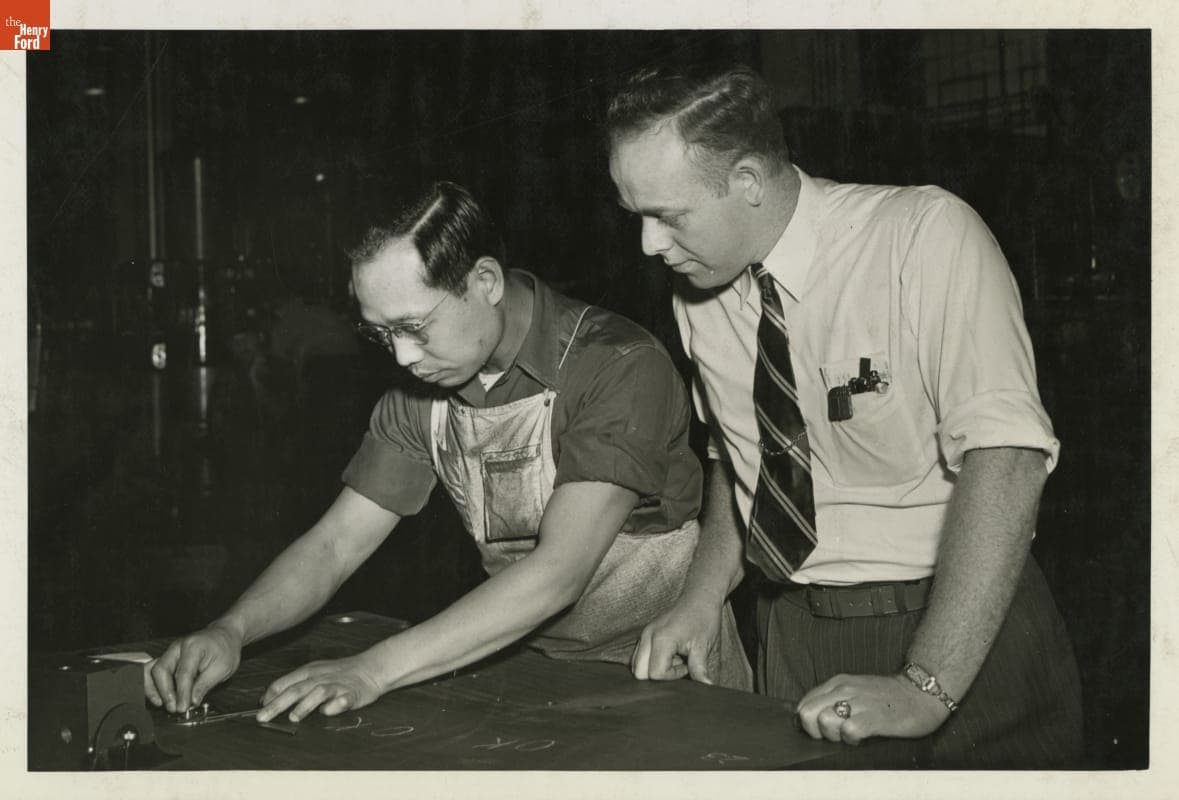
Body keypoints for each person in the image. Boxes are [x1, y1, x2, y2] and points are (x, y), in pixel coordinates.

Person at [606, 64, 1083, 768]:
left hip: (956, 626)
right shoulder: (696, 297)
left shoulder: (921, 235)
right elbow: (742, 465)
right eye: (635, 216)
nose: (648, 245)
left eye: (667, 216)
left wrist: (926, 685)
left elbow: (1005, 459)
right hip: (796, 632)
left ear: (746, 181)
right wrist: (701, 598)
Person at [144, 181, 753, 723]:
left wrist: (371, 670)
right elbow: (334, 545)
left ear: (484, 282)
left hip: (666, 674)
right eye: (381, 333)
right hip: (524, 667)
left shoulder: (616, 366)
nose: (403, 357)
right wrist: (232, 629)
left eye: (413, 327)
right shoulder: (423, 390)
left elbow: (557, 574)